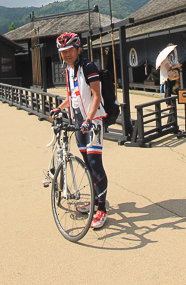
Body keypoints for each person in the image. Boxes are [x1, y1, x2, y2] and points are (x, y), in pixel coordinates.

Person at [51, 32, 109, 230]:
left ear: (78, 49)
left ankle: (101, 208)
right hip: (78, 124)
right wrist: (59, 107)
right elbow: (72, 97)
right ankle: (94, 201)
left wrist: (89, 119)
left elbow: (96, 95)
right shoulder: (68, 70)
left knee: (95, 163)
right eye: (62, 51)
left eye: (69, 50)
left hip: (93, 122)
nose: (66, 54)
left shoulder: (88, 67)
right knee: (86, 163)